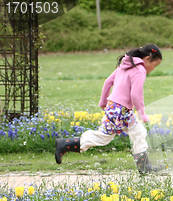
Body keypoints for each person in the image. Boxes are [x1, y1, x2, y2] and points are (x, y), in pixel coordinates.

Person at [55, 44, 164, 174]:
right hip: (121, 110)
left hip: (115, 107)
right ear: (147, 59)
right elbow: (135, 95)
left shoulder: (125, 65)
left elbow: (108, 82)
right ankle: (65, 144)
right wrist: (142, 114)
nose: (153, 69)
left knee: (138, 132)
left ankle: (144, 167)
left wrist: (103, 101)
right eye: (154, 65)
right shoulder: (139, 70)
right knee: (104, 137)